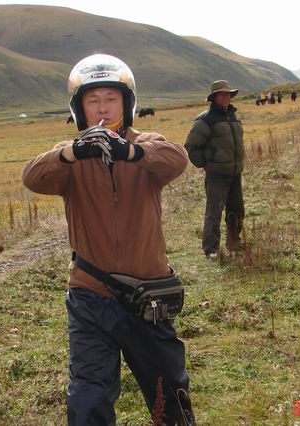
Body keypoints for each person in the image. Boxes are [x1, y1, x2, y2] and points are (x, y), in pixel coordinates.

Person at [22, 54, 195, 425]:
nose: (102, 108)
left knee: (170, 394)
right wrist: (71, 153)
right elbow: (32, 176)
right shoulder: (69, 158)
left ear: (127, 104)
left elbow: (177, 159)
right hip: (90, 297)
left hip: (147, 295)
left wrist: (128, 151)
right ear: (79, 107)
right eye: (93, 100)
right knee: (88, 397)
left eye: (111, 99)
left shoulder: (147, 145)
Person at [185, 80, 244, 259]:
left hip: (235, 173)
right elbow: (191, 146)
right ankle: (211, 249)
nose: (226, 97)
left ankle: (234, 241)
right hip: (217, 175)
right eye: (222, 94)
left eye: (228, 94)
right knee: (214, 212)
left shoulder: (233, 116)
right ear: (214, 97)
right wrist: (206, 164)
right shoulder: (206, 119)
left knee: (237, 209)